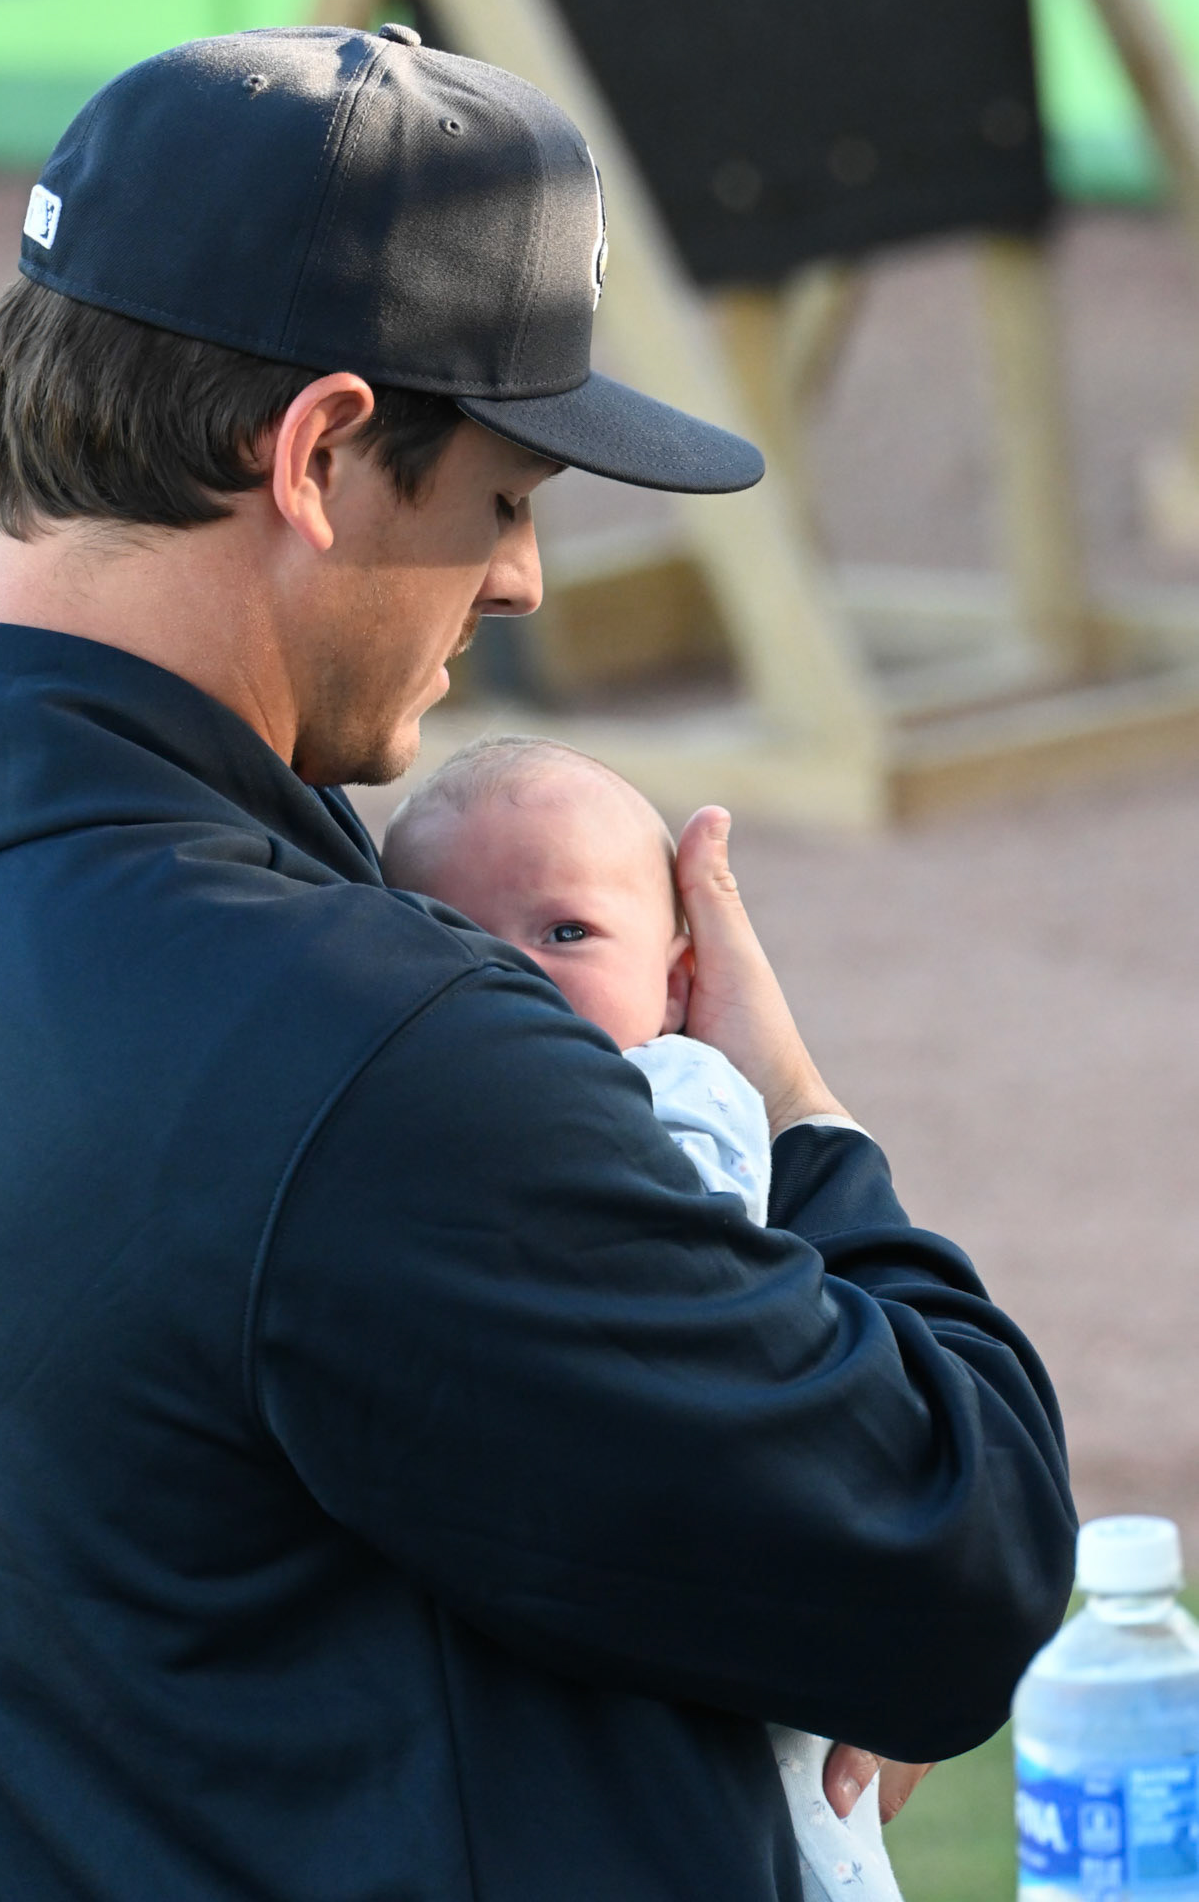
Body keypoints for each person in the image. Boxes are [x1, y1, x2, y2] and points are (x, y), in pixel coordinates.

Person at [0, 25, 1075, 1902]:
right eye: (501, 497)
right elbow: (954, 1552)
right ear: (321, 451)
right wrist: (793, 1115)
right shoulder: (350, 1047)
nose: (522, 581)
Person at [380, 731, 905, 1902]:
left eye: (566, 931)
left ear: (675, 980)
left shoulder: (676, 1091)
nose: (511, 970)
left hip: (742, 1574)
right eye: (453, 935)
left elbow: (681, 1289)